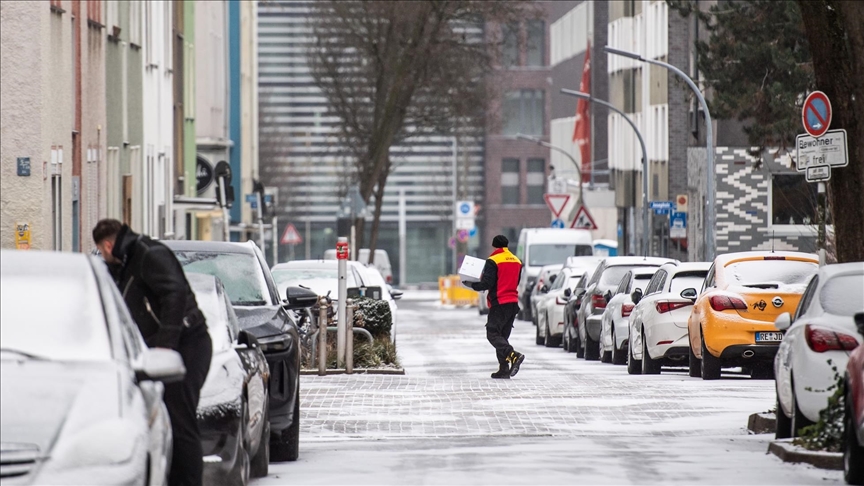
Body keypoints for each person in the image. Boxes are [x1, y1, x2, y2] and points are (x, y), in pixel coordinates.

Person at [92, 219, 211, 486]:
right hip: (167, 348)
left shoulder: (148, 254)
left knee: (181, 421)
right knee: (165, 422)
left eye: (101, 250)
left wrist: (164, 348)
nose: (102, 256)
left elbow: (175, 294)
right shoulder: (123, 265)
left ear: (109, 245)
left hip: (189, 344)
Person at [463, 235, 525, 379]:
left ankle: (513, 355)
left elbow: (487, 283)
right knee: (502, 336)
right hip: (513, 302)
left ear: (494, 246)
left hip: (500, 302)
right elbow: (516, 281)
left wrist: (472, 285)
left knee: (492, 333)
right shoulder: (517, 261)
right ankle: (503, 369)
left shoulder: (493, 261)